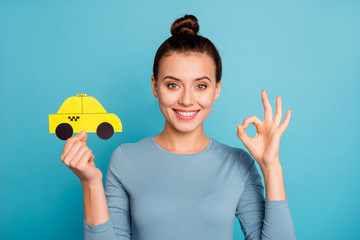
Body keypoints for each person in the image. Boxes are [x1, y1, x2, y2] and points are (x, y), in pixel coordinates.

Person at [60, 14, 296, 240]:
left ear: (217, 89)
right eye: (173, 85)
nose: (186, 100)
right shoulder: (124, 159)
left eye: (201, 86)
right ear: (155, 86)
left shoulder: (238, 164)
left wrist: (270, 166)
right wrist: (90, 183)